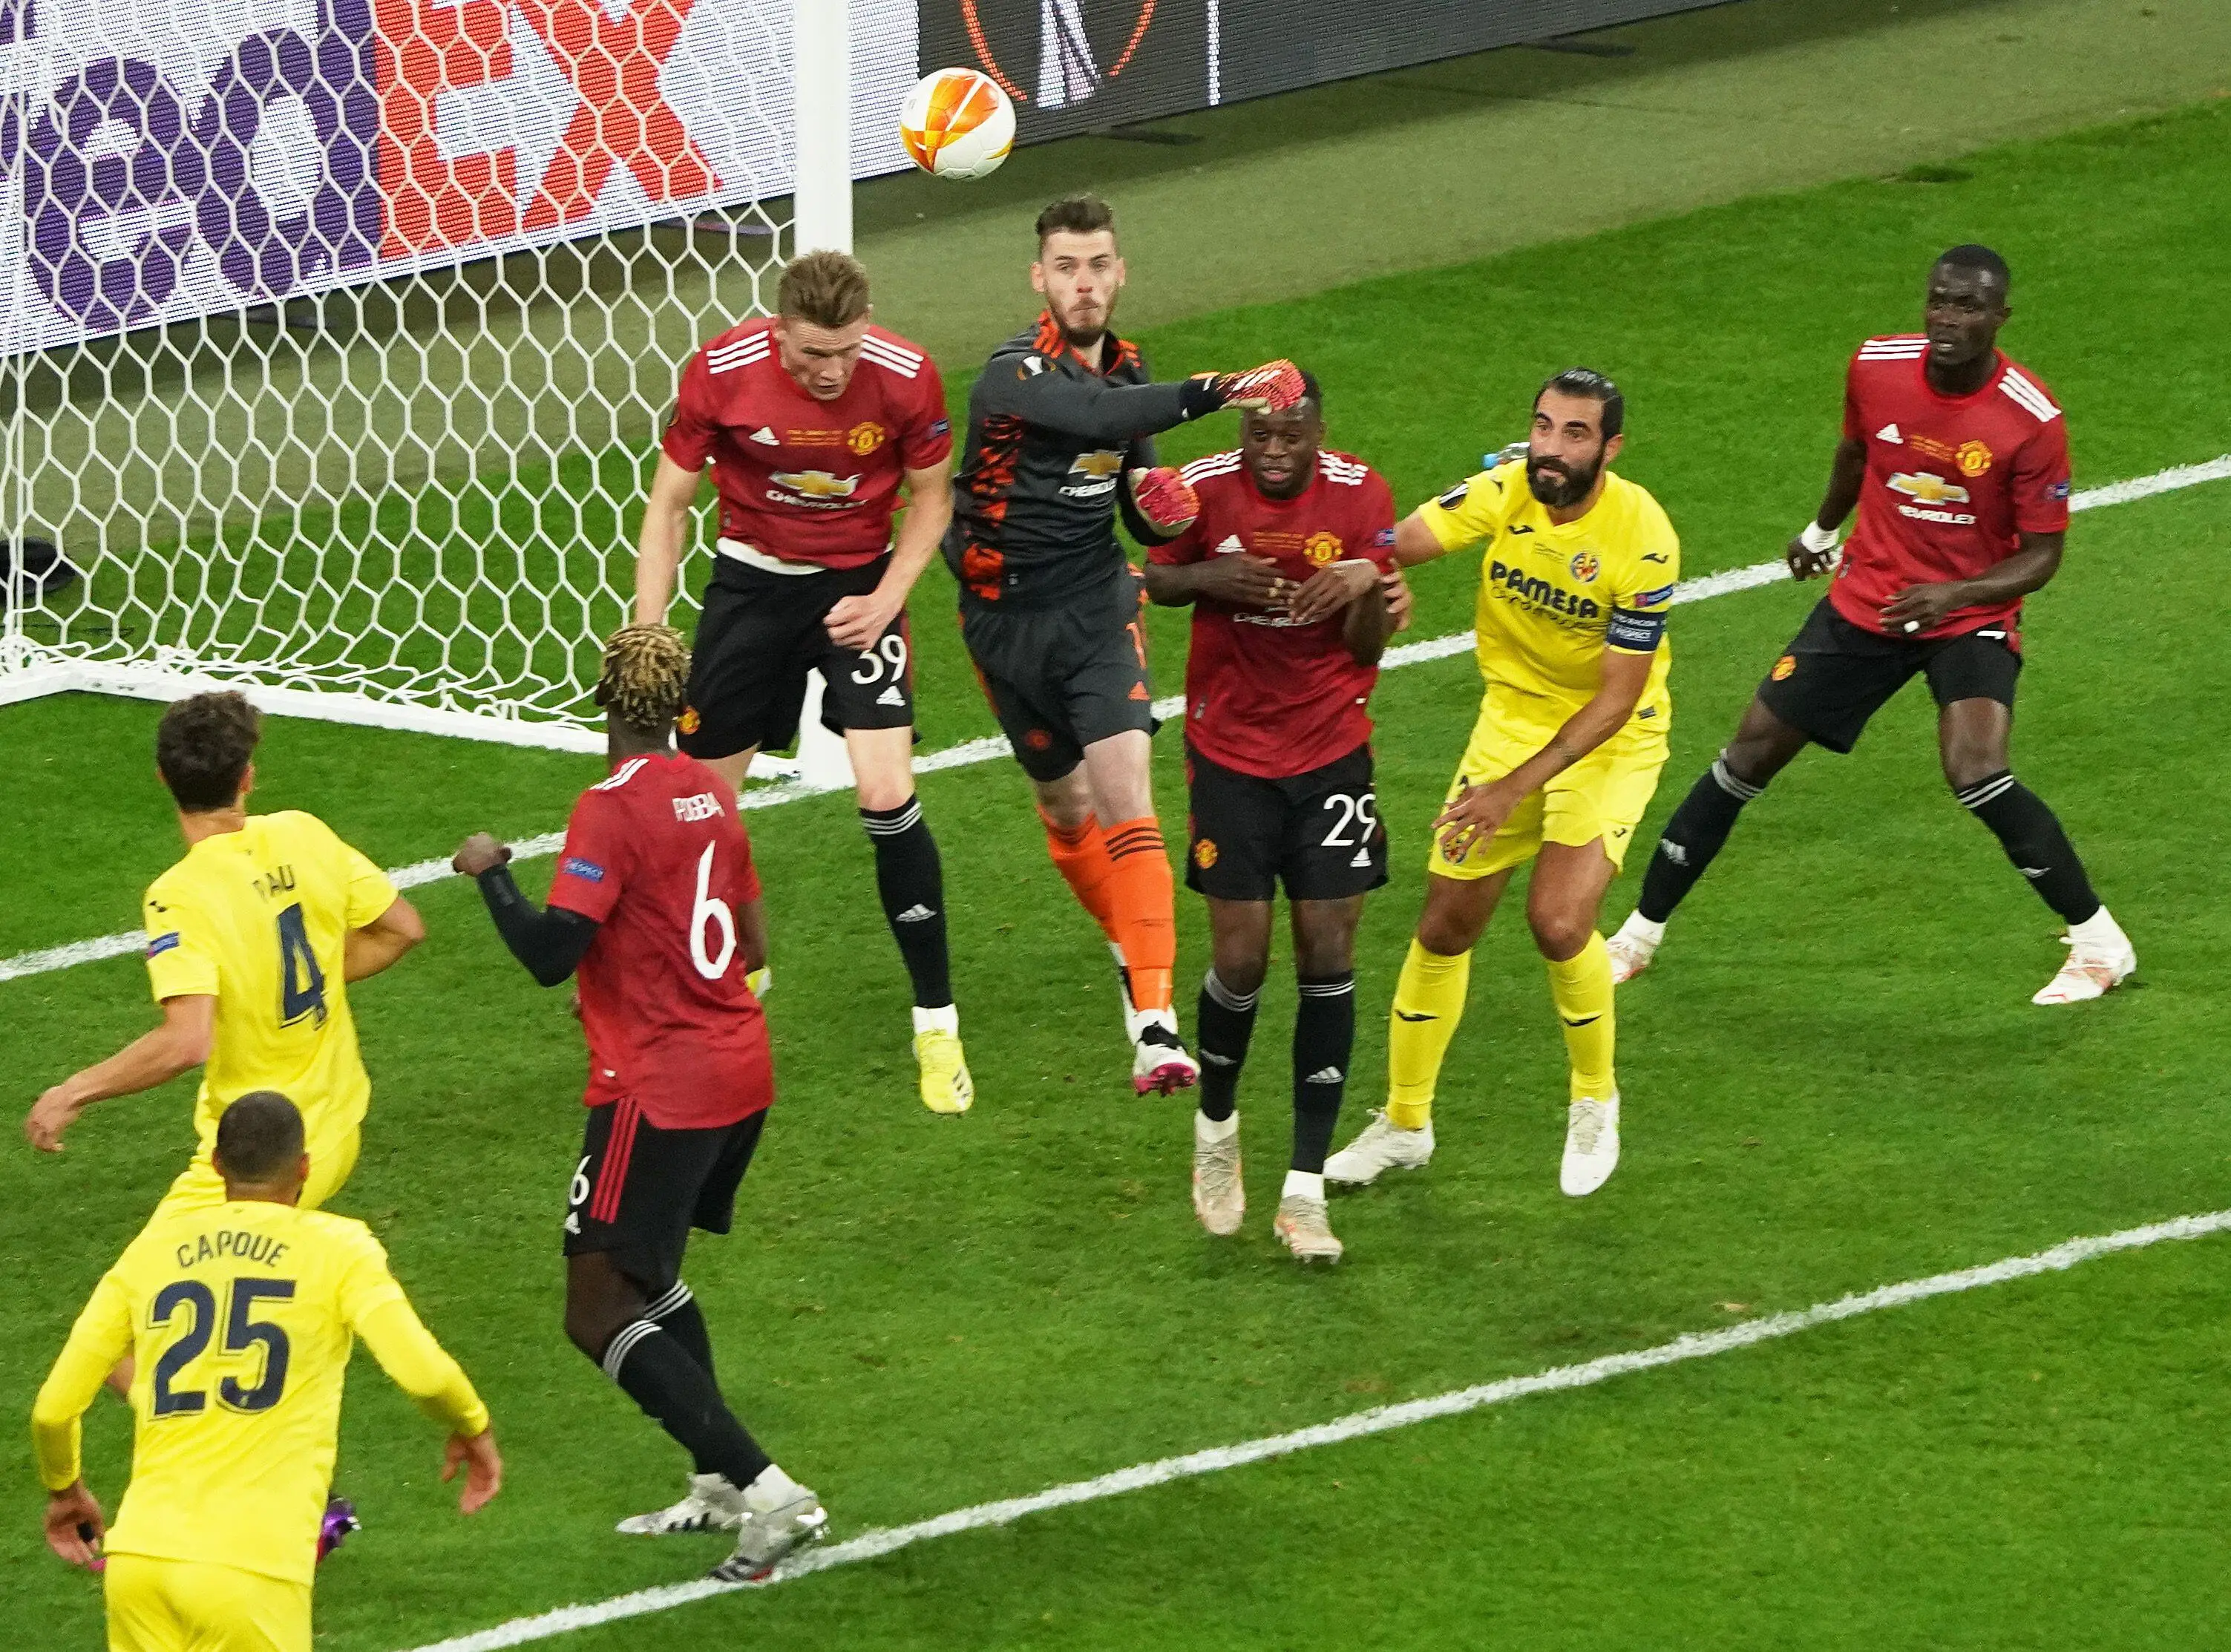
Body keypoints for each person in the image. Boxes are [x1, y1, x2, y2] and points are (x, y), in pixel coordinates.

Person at [1608, 246, 2134, 1005]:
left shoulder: (2030, 418)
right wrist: (1822, 532)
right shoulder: (1876, 367)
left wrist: (1954, 597)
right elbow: (1857, 451)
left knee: (1976, 769)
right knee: (1748, 753)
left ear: (2001, 318)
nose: (1950, 319)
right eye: (1940, 302)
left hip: (1967, 612)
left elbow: (2044, 553)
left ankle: (2099, 943)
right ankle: (1636, 936)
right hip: (1870, 603)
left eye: (1970, 307)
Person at [453, 624, 823, 1583]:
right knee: (651, 1272)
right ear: (679, 705)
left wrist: (491, 872)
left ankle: (772, 1494)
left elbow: (549, 955)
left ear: (601, 701)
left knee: (594, 1304)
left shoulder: (607, 808)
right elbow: (747, 942)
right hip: (741, 1069)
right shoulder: (712, 792)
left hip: (655, 1089)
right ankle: (713, 1481)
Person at [946, 191, 1308, 1094]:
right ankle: (1126, 945)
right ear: (1040, 278)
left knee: (1126, 799)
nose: (1084, 283)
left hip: (1095, 611)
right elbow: (1102, 422)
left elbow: (1136, 484)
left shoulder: (1133, 371)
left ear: (1120, 271)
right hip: (1000, 620)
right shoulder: (1011, 374)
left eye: (1099, 264)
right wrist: (1227, 389)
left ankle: (1154, 1022)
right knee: (1067, 811)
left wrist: (1159, 508)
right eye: (1066, 267)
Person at [1326, 370, 1678, 1199]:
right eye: (1544, 427)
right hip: (1510, 725)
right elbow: (1392, 540)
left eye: (1576, 434)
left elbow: (1619, 697)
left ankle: (1595, 1099)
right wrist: (1377, 578)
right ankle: (1406, 1124)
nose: (1552, 448)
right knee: (1445, 926)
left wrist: (1511, 789)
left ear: (1611, 447)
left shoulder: (1645, 537)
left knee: (1557, 920)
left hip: (1608, 740)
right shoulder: (1506, 487)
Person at [635, 250, 972, 1114]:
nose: (830, 373)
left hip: (859, 587)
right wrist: (649, 623)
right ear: (778, 329)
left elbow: (934, 498)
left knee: (887, 794)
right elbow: (670, 502)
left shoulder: (907, 378)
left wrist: (888, 596)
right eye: (811, 354)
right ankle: (729, 975)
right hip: (751, 586)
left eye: (846, 353)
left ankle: (936, 1022)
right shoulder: (721, 370)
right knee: (701, 810)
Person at [32, 1090, 499, 1652]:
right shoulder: (339, 1249)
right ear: (304, 1167)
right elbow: (424, 1375)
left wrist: (65, 1491)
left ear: (215, 1166)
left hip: (139, 1563)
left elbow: (54, 1409)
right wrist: (472, 1426)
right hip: (251, 1571)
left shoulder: (151, 1251)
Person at [1143, 376, 1407, 1262]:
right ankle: (1217, 1131)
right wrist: (1209, 573)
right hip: (1231, 756)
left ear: (1319, 431)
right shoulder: (1205, 483)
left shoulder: (1362, 493)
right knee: (1241, 960)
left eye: (1290, 434)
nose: (1274, 449)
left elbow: (1372, 646)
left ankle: (1303, 1192)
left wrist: (1365, 587)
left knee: (1329, 953)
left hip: (1332, 750)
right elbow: (1151, 577)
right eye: (1260, 433)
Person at [26, 692, 425, 1217]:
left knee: (147, 1295)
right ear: (247, 778)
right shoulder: (303, 833)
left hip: (260, 1155)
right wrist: (311, 976)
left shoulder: (181, 894)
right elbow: (402, 929)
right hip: (336, 1129)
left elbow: (187, 1041)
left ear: (162, 778)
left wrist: (73, 1091)